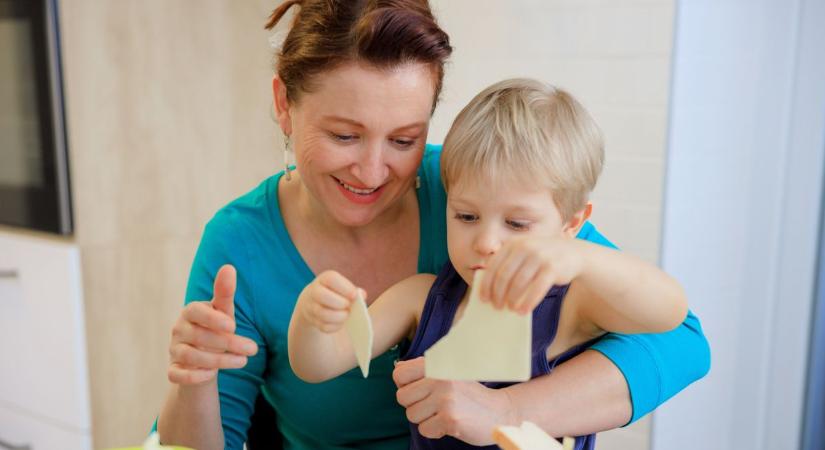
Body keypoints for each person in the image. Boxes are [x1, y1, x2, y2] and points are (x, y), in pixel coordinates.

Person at [156, 1, 711, 449]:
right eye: (344, 136)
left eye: (404, 139)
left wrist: (508, 411)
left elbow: (678, 338)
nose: (373, 171)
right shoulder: (239, 245)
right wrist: (196, 379)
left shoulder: (471, 187)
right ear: (284, 103)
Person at [287, 78, 689, 449]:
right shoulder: (421, 298)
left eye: (516, 223)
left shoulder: (574, 308)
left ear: (572, 223)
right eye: (466, 216)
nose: (487, 242)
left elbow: (670, 313)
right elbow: (318, 365)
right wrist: (311, 318)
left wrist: (581, 258)